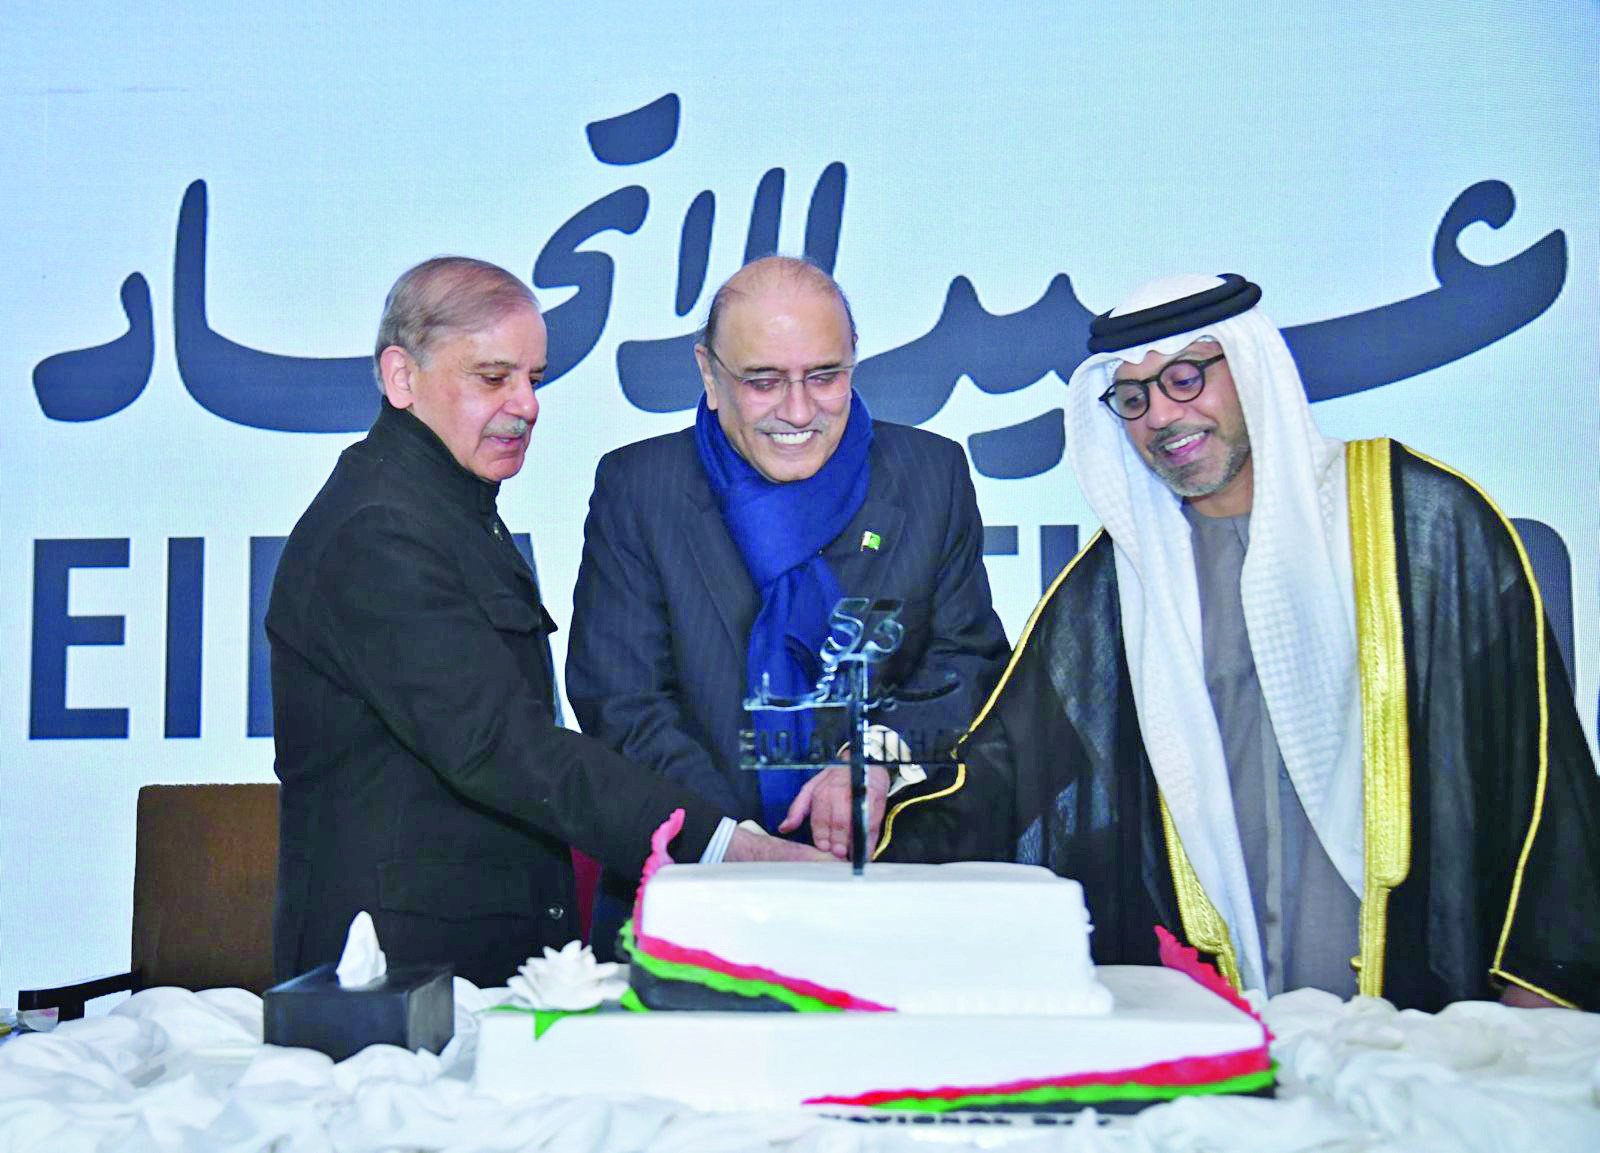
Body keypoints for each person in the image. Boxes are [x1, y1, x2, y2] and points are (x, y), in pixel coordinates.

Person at [880, 273, 1600, 1011]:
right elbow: (1004, 775)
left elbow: (1535, 768)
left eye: (1186, 377)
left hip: (1433, 1018)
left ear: (1252, 369)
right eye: (1133, 398)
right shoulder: (1116, 584)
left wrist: (1538, 1002)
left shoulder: (1422, 525)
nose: (1162, 413)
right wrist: (861, 848)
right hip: (1223, 1024)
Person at [267, 257, 821, 989]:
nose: (526, 404)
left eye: (535, 377)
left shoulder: (451, 510)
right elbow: (502, 744)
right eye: (493, 377)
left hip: (468, 971)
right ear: (402, 377)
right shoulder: (380, 532)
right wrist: (725, 845)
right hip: (396, 988)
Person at [566, 256, 1010, 947]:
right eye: (764, 381)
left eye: (825, 376)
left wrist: (877, 756)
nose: (799, 410)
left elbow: (968, 661)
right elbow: (621, 702)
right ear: (710, 376)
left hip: (890, 898)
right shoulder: (639, 488)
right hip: (691, 903)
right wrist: (739, 850)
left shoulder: (932, 474)